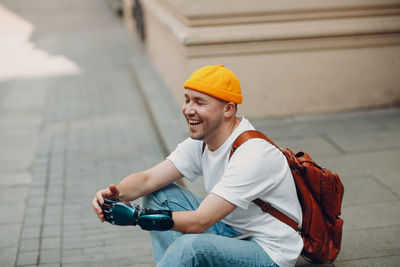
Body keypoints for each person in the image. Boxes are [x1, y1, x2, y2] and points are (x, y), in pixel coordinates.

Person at [92, 65, 303, 267]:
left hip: (269, 252)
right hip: (232, 230)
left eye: (199, 103)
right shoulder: (202, 142)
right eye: (187, 100)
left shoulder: (253, 155)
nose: (188, 110)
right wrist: (116, 194)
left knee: (190, 247)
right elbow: (148, 179)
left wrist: (139, 217)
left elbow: (200, 221)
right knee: (158, 194)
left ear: (228, 109)